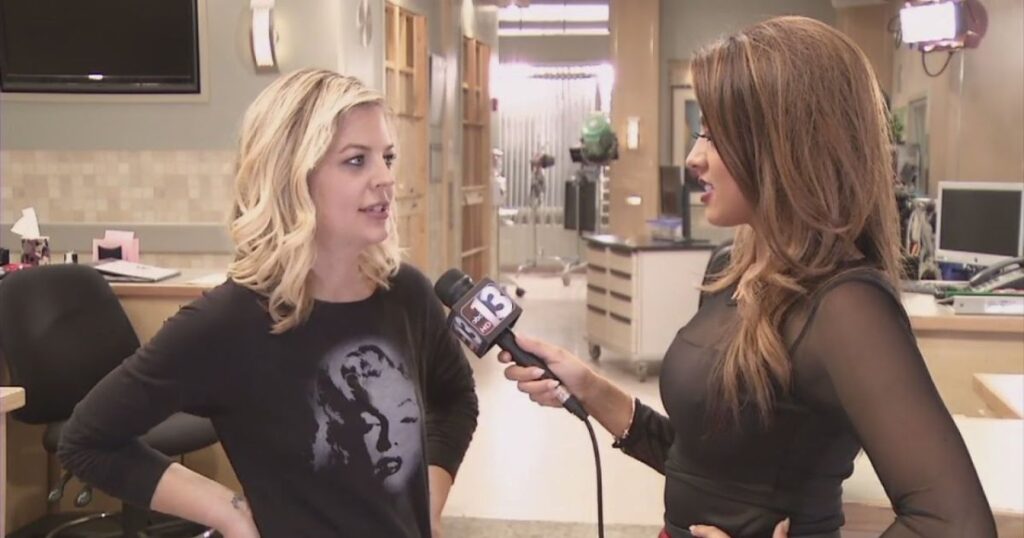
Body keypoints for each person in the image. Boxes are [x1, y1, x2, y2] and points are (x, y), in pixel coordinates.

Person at [500, 17, 995, 538]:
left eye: (716, 137)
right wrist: (591, 388)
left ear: (787, 146)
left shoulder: (845, 306)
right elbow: (707, 467)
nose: (694, 157)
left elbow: (955, 524)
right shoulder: (728, 269)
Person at [58, 69, 479, 538]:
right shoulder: (228, 322)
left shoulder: (407, 294)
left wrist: (428, 507)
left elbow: (455, 397)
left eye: (388, 157)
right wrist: (228, 512)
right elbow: (86, 441)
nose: (385, 178)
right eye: (356, 161)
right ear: (293, 177)